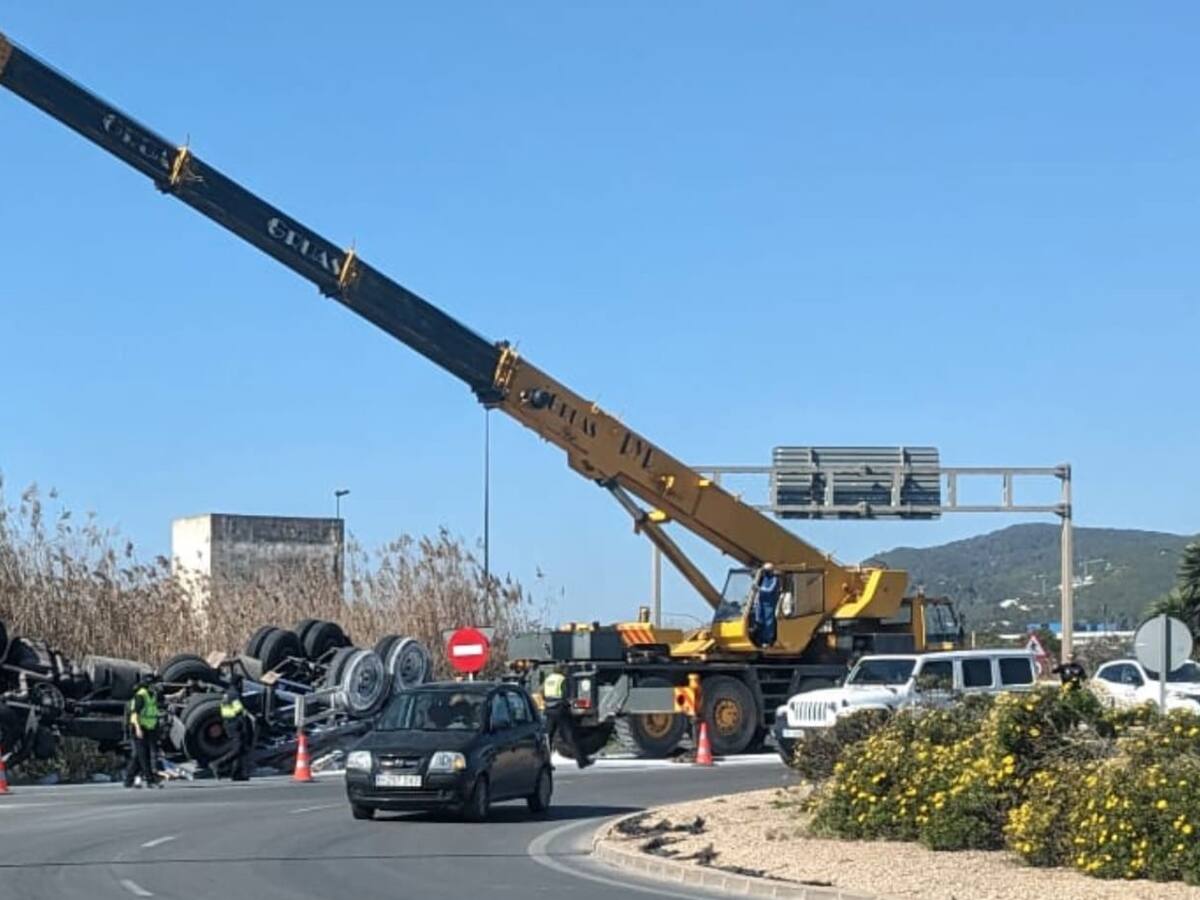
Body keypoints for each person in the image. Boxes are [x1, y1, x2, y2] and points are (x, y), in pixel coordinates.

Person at [542, 667, 593, 769]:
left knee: (548, 738)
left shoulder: (548, 679)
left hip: (549, 710)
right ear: (562, 671)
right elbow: (567, 694)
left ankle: (546, 763)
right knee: (570, 737)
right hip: (560, 710)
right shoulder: (562, 679)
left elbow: (543, 694)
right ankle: (582, 761)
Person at [124, 672, 162, 789]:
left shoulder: (153, 694)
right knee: (144, 756)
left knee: (138, 757)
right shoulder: (141, 695)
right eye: (154, 683)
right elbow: (134, 714)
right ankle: (150, 781)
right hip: (139, 728)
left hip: (150, 728)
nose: (157, 685)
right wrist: (138, 728)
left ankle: (128, 780)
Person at [213, 677, 252, 781]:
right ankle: (217, 764)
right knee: (238, 749)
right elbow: (239, 712)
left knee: (240, 749)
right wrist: (245, 727)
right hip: (234, 723)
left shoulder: (227, 693)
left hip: (228, 722)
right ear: (238, 683)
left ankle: (236, 774)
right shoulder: (234, 694)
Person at [750, 563, 781, 648]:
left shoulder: (775, 579)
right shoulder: (763, 578)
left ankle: (767, 641)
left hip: (769, 603)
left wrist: (759, 589)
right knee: (758, 620)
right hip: (760, 602)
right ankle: (758, 639)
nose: (765, 573)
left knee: (768, 622)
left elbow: (770, 590)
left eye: (767, 571)